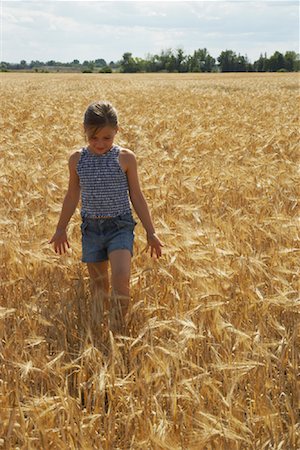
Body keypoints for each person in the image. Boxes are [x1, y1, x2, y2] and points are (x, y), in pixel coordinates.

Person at [49, 100, 164, 338]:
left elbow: (137, 195)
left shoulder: (125, 158)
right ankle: (101, 335)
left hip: (120, 225)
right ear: (85, 130)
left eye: (107, 138)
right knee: (99, 287)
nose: (100, 143)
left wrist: (150, 231)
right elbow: (72, 195)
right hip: (91, 229)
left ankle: (118, 333)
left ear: (117, 131)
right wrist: (60, 229)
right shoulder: (77, 159)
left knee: (121, 278)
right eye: (94, 138)